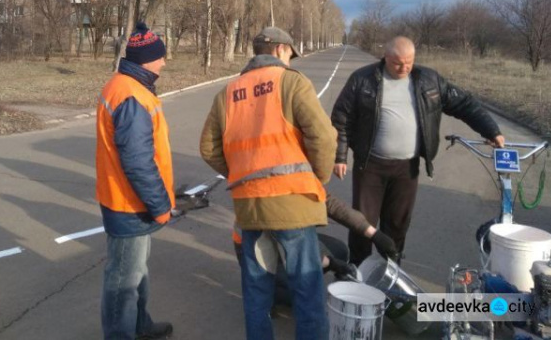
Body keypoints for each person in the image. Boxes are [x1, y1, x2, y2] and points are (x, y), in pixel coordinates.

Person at [200, 26, 336, 340]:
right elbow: (324, 136)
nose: (291, 61)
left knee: (257, 290)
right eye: (290, 54)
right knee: (307, 289)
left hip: (250, 208)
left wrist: (240, 174)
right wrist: (318, 177)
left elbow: (208, 148)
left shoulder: (228, 92)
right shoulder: (291, 82)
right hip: (293, 203)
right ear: (278, 50)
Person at [331, 36, 505, 266]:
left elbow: (463, 104)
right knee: (363, 223)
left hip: (407, 168)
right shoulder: (362, 80)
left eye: (409, 62)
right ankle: (358, 271)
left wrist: (490, 130)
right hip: (370, 166)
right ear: (386, 57)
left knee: (397, 224)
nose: (404, 68)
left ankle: (391, 272)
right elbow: (341, 118)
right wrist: (340, 156)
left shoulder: (429, 80)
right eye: (397, 63)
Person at [96, 23, 175, 340]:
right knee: (123, 281)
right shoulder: (130, 96)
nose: (165, 62)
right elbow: (138, 162)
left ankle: (140, 326)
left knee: (136, 271)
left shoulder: (128, 86)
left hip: (127, 201)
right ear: (147, 59)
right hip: (128, 204)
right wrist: (159, 206)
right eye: (161, 57)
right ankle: (122, 334)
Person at [231, 193, 399, 306]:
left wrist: (374, 235)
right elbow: (292, 240)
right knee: (307, 297)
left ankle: (425, 311)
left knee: (339, 250)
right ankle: (265, 292)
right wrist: (331, 263)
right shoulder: (277, 192)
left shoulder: (300, 175)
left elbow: (335, 207)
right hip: (256, 250)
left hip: (287, 238)